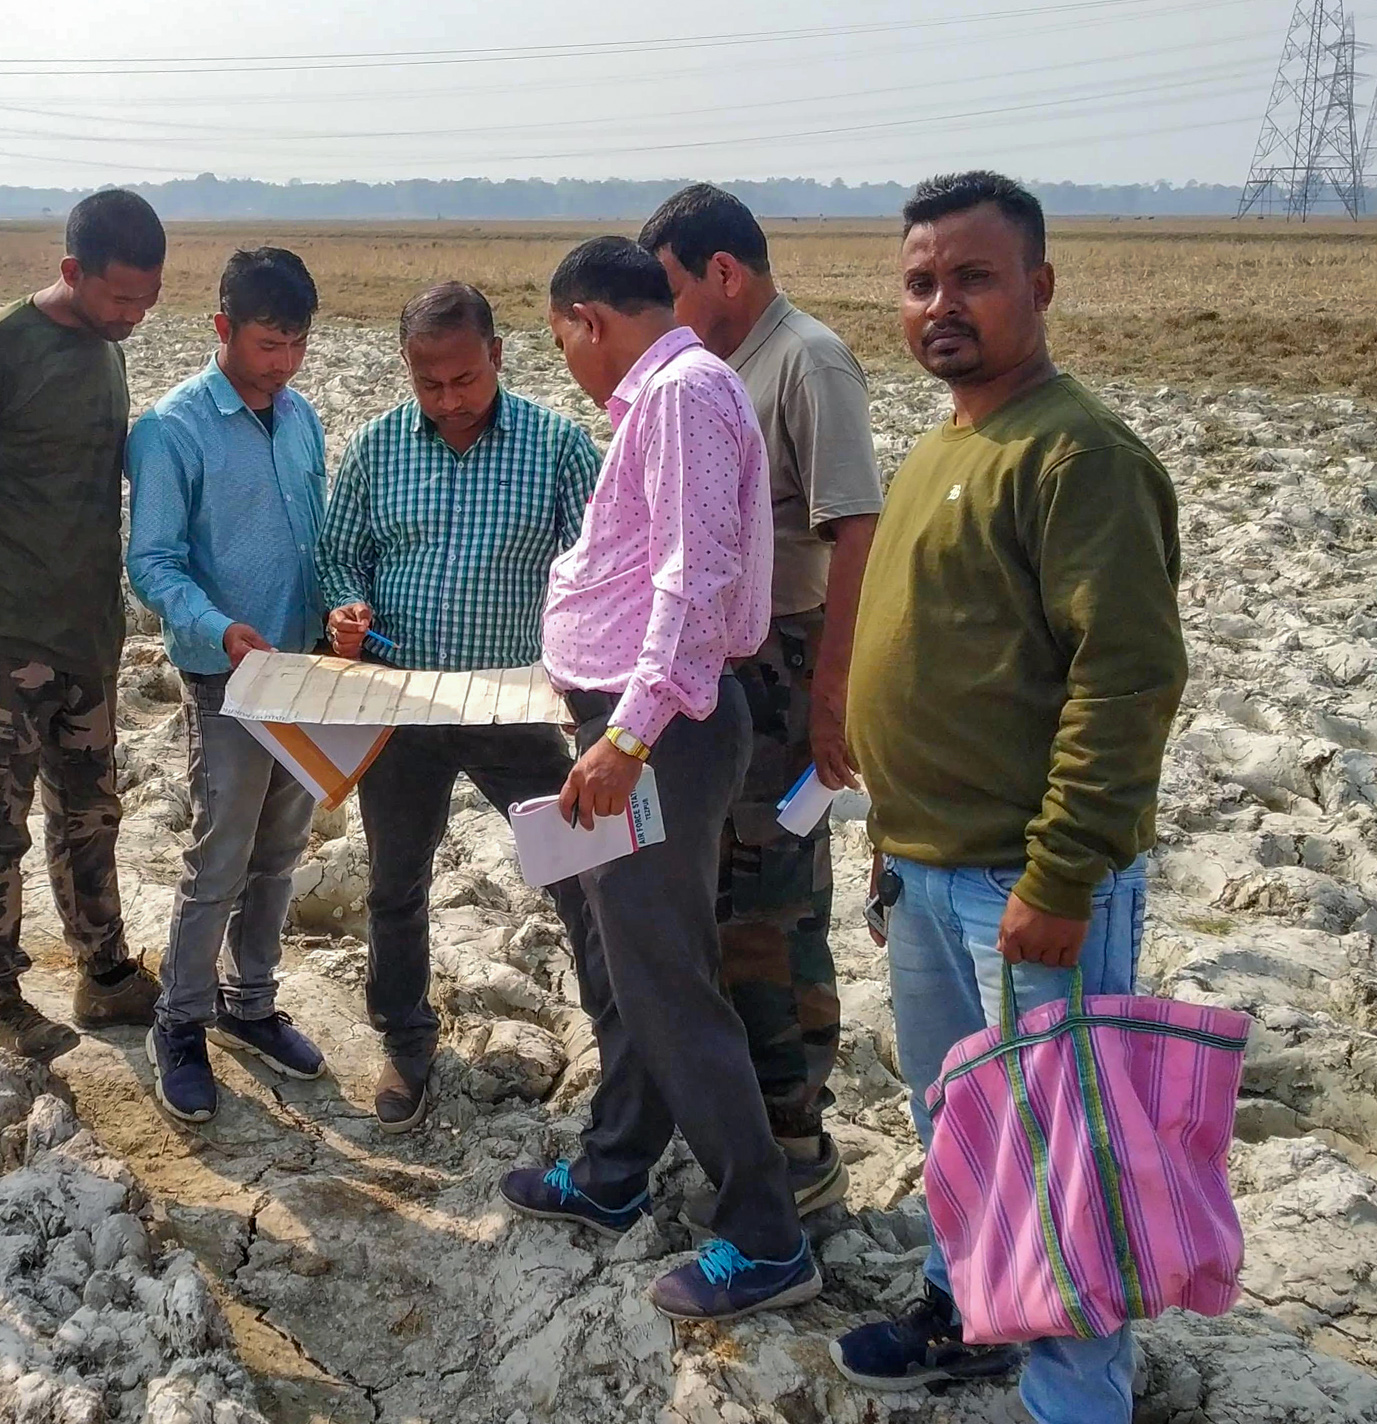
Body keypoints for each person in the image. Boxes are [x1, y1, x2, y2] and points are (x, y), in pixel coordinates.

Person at [831, 172, 1186, 1422]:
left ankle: (1074, 1398)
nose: (942, 305)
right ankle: (968, 1308)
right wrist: (889, 842)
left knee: (1062, 1162)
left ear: (1038, 286)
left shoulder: (1076, 454)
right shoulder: (944, 444)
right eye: (921, 281)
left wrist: (1061, 873)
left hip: (1021, 888)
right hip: (926, 870)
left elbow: (1127, 678)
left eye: (974, 278)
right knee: (961, 1130)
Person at [496, 237, 815, 1322]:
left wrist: (624, 736)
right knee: (636, 964)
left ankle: (766, 1234)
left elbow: (695, 574)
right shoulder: (673, 394)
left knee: (668, 977)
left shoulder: (679, 393)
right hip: (639, 723)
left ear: (587, 319)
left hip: (658, 732)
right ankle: (613, 1169)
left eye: (562, 344)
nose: (571, 367)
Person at [640, 183, 880, 1214]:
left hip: (786, 667)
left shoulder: (806, 361)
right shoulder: (715, 367)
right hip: (727, 668)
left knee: (773, 915)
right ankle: (746, 1127)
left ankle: (795, 1151)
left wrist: (829, 701)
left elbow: (854, 535)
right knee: (724, 901)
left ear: (722, 271)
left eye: (671, 290)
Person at [317, 282, 603, 1133]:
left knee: (580, 872)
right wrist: (345, 612)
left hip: (511, 703)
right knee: (396, 882)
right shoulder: (377, 450)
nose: (448, 401)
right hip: (402, 700)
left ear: (498, 358)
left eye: (465, 380)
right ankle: (404, 1040)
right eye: (429, 384)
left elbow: (599, 568)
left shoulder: (557, 449)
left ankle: (619, 1034)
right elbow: (341, 556)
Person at [0, 189, 169, 1062]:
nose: (133, 316)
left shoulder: (107, 353)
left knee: (90, 813)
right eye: (119, 298)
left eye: (148, 299)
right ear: (72, 272)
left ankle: (104, 974)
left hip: (87, 637)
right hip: (5, 641)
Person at [127, 247, 331, 1125]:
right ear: (222, 329)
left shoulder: (302, 421)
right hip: (225, 678)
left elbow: (318, 541)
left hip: (303, 674)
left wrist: (339, 614)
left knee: (281, 852)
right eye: (265, 343)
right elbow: (154, 562)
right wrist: (216, 628)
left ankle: (250, 1004)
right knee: (218, 857)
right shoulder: (172, 429)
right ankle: (179, 1021)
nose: (281, 363)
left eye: (295, 344)